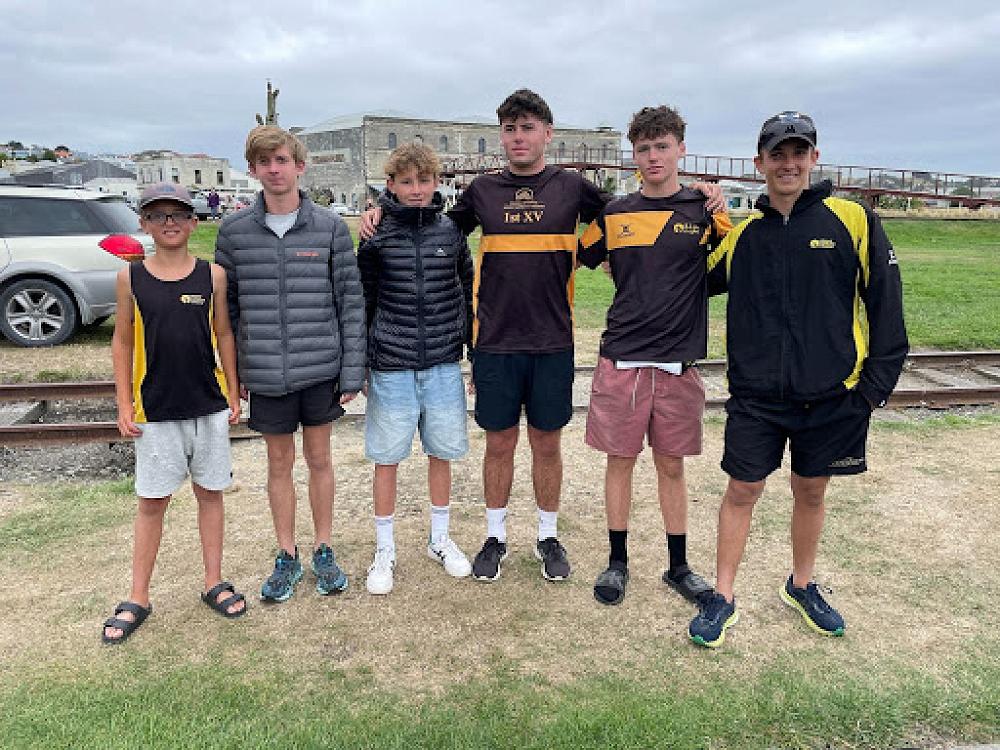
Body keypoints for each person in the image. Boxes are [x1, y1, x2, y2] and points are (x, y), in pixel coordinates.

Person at [361, 89, 724, 584]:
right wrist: (382, 210)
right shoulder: (483, 190)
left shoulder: (572, 187)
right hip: (495, 341)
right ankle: (495, 537)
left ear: (547, 134)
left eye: (528, 127)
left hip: (553, 340)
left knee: (547, 444)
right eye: (510, 129)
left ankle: (547, 536)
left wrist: (704, 193)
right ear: (501, 136)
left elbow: (634, 211)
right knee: (499, 443)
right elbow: (430, 226)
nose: (518, 137)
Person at [688, 111, 908, 648]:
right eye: (777, 155)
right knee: (742, 490)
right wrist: (694, 211)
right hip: (756, 398)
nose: (788, 164)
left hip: (831, 397)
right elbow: (687, 277)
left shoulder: (853, 220)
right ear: (759, 163)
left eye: (798, 153)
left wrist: (873, 391)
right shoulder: (744, 235)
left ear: (814, 157)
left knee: (810, 491)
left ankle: (802, 585)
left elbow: (887, 306)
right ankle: (722, 596)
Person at [577, 106, 731, 606]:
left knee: (671, 466)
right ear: (634, 156)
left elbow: (729, 268)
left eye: (662, 146)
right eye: (643, 149)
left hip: (677, 364)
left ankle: (678, 566)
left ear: (681, 149)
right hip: (622, 357)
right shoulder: (614, 213)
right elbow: (579, 257)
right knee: (619, 462)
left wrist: (715, 198)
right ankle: (617, 562)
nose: (653, 156)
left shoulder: (706, 211)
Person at [215, 126, 366, 603]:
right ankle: (287, 553)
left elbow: (350, 301)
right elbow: (227, 312)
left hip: (320, 368)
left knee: (320, 460)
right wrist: (235, 376)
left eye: (281, 160)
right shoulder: (234, 232)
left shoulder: (329, 228)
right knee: (278, 464)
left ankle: (323, 547)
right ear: (253, 169)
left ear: (300, 165)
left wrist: (352, 368)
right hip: (266, 371)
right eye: (264, 162)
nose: (274, 169)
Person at [103, 182, 244, 645]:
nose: (169, 223)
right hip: (155, 410)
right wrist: (124, 404)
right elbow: (122, 341)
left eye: (178, 214)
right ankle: (138, 596)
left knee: (210, 494)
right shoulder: (130, 278)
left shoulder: (213, 276)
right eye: (158, 215)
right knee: (151, 503)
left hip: (208, 405)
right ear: (144, 223)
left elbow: (224, 334)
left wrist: (234, 390)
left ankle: (213, 581)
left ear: (193, 222)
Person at [356, 143, 475, 594]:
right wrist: (362, 363)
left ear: (436, 182)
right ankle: (384, 548)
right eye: (406, 181)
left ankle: (439, 538)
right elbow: (363, 300)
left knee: (441, 453)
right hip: (391, 363)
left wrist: (472, 352)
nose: (416, 189)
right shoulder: (375, 233)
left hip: (442, 362)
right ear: (390, 184)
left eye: (424, 180)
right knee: (387, 458)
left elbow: (467, 291)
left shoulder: (451, 231)